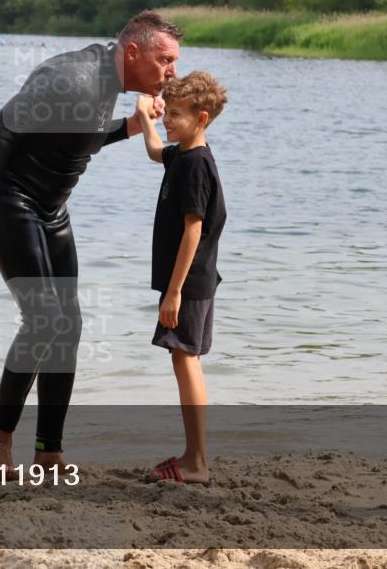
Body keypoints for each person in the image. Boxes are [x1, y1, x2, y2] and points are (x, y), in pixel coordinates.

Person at [0, 11, 183, 477]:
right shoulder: (72, 78)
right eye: (165, 60)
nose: (172, 72)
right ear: (134, 53)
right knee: (43, 321)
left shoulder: (109, 85)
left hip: (52, 210)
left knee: (69, 326)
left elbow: (78, 137)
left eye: (175, 62)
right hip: (12, 201)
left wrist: (131, 127)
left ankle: (48, 450)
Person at [135, 72, 227, 485]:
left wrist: (173, 292)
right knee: (185, 358)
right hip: (193, 282)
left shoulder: (195, 166)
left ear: (201, 117)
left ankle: (196, 461)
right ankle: (195, 457)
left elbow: (193, 230)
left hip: (188, 284)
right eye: (167, 113)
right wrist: (145, 118)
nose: (168, 121)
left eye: (175, 115)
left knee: (186, 359)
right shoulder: (183, 155)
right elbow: (156, 151)